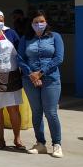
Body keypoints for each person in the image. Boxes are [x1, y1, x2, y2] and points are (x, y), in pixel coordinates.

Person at [18, 10, 64, 158]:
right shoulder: (25, 39)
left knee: (51, 112)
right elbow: (20, 58)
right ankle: (40, 143)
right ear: (31, 24)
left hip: (51, 79)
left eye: (41, 21)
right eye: (36, 22)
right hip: (30, 80)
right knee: (36, 112)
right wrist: (31, 74)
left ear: (46, 22)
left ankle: (57, 144)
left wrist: (41, 72)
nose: (39, 24)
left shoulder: (55, 36)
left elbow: (58, 58)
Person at [0, 10, 26, 150]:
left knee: (13, 108)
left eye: (1, 20)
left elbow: (20, 52)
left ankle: (17, 138)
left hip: (12, 75)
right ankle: (1, 140)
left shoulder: (11, 34)